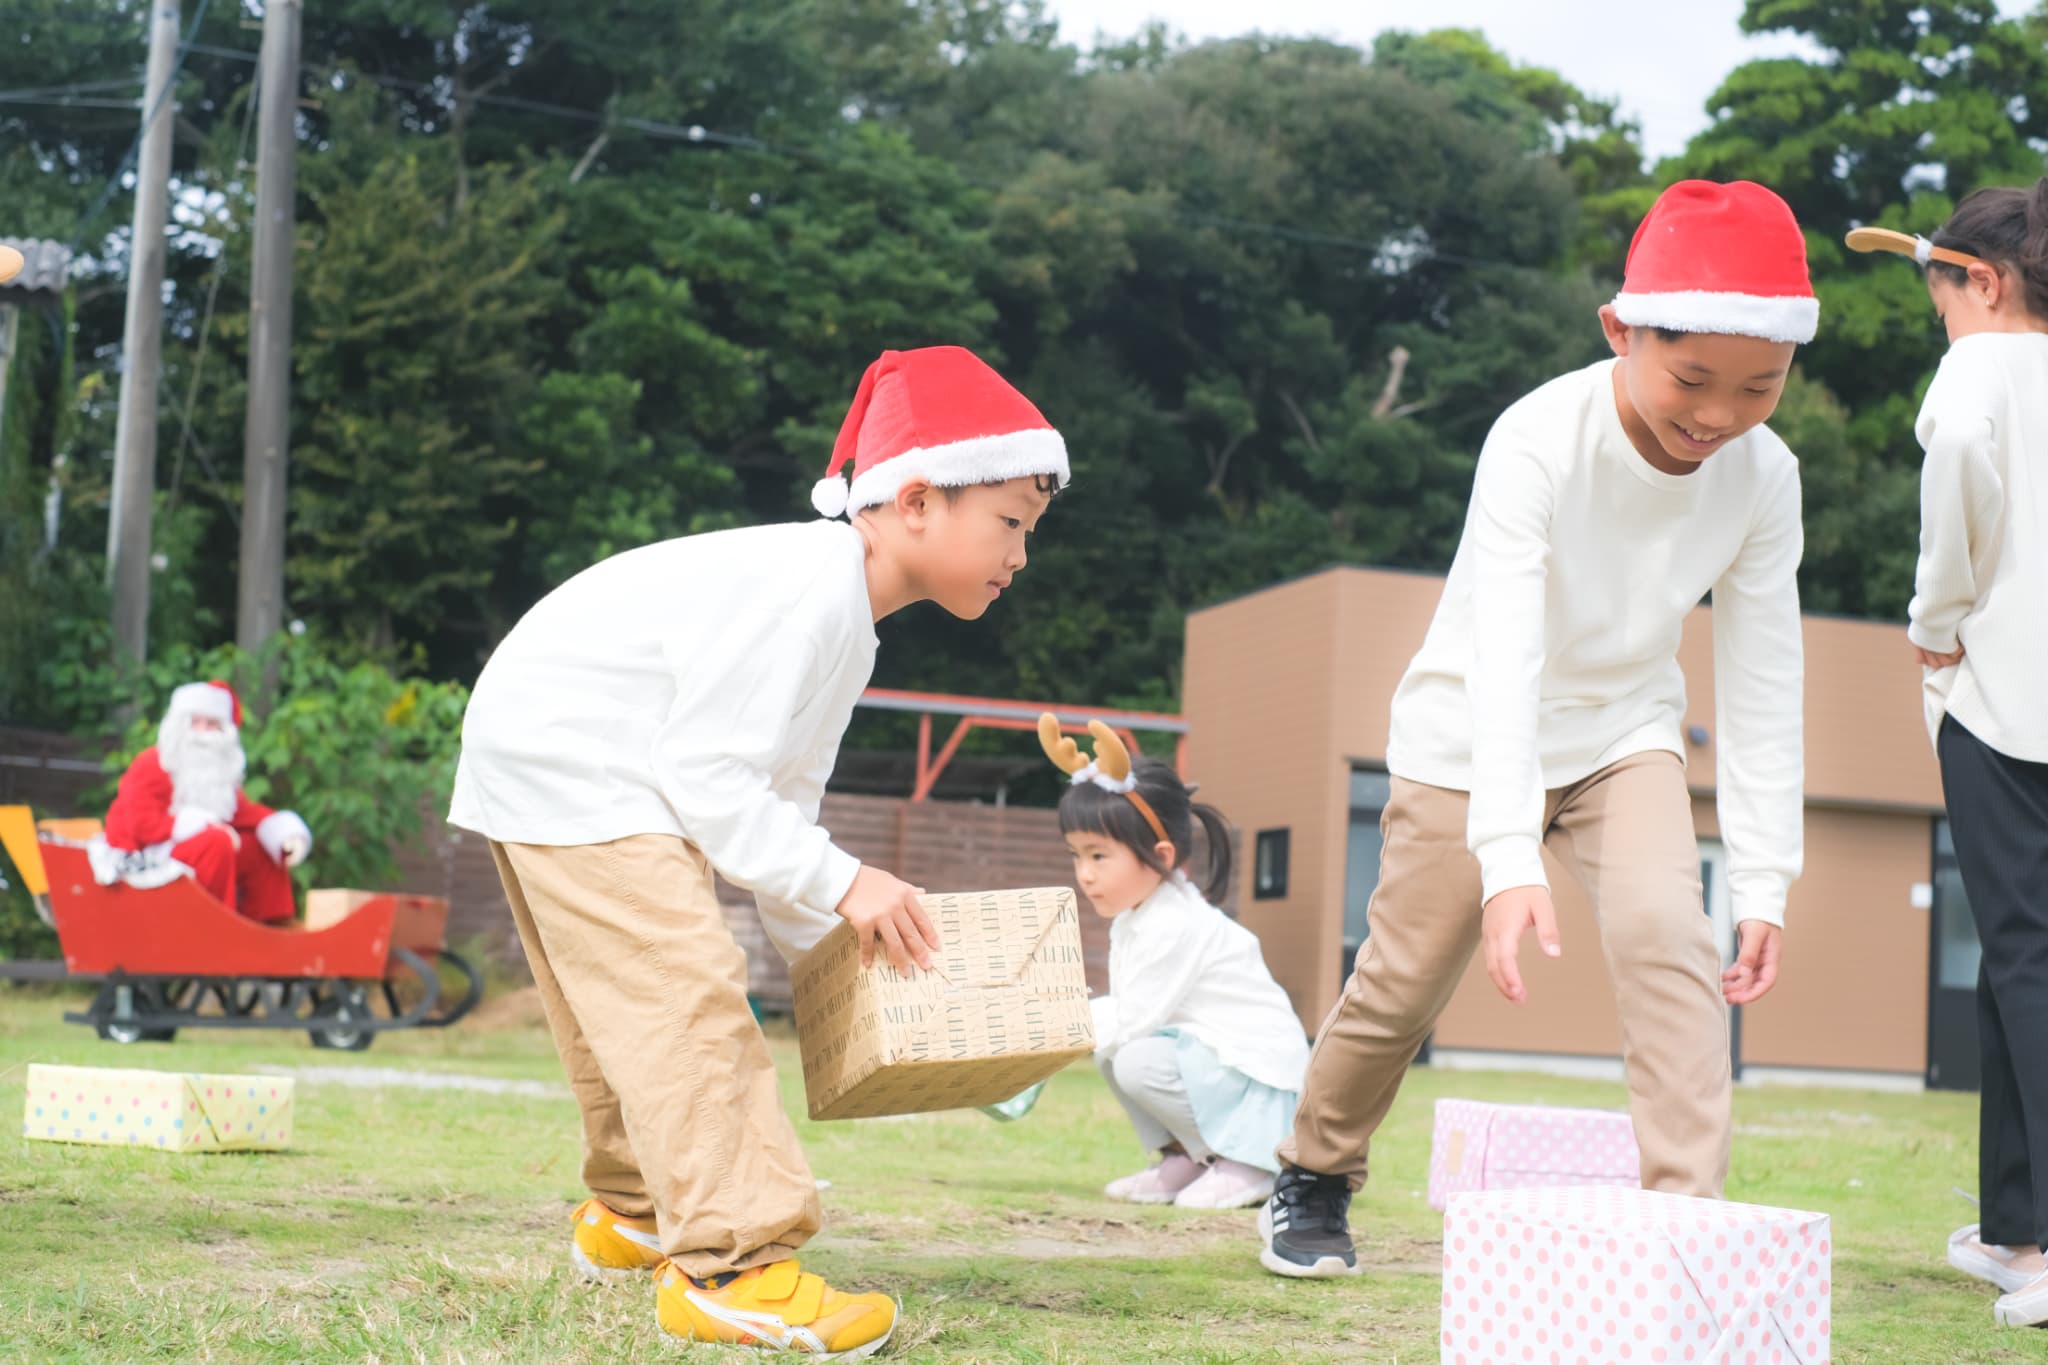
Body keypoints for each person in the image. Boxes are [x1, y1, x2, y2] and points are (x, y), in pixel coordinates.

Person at [449, 346, 1066, 1358]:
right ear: (916, 501)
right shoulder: (806, 594)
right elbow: (712, 779)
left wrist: (848, 949)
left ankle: (634, 1214)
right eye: (1010, 522)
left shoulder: (844, 620)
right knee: (683, 995)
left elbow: (779, 810)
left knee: (628, 1006)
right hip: (578, 755)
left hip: (552, 748)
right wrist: (849, 884)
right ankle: (731, 1268)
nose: (1021, 555)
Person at [1260, 181, 1812, 1279]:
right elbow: (1505, 656)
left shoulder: (1765, 477)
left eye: (1758, 387)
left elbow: (1763, 676)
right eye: (1691, 380)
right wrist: (1507, 857)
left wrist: (1763, 880)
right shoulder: (1537, 439)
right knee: (1401, 983)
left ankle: (1685, 1226)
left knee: (1668, 937)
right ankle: (1313, 1170)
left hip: (1622, 731)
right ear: (1619, 331)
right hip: (1471, 731)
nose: (1717, 415)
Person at [1848, 180, 2048, 1330]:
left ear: (1982, 280)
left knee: (2023, 952)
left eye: (1942, 309)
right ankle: (2014, 1228)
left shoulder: (1980, 369)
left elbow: (1961, 460)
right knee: (2013, 957)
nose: (1944, 332)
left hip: (2004, 702)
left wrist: (1932, 623)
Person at [1042, 715, 1308, 1211]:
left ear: (1161, 855)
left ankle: (1248, 1161)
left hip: (1261, 1086)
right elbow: (1127, 1012)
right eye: (1076, 856)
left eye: (1099, 856)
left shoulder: (1176, 922)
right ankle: (1186, 1155)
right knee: (1116, 1054)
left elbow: (1135, 1019)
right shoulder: (1137, 917)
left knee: (1133, 1055)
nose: (1084, 874)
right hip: (1217, 1064)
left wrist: (1054, 1027)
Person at [94, 679, 312, 921]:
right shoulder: (155, 764)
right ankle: (215, 926)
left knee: (258, 848)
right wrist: (201, 825)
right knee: (216, 843)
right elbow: (140, 824)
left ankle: (271, 924)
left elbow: (241, 813)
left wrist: (282, 832)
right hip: (144, 857)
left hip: (190, 854)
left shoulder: (218, 775)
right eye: (195, 722)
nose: (202, 732)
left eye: (211, 724)